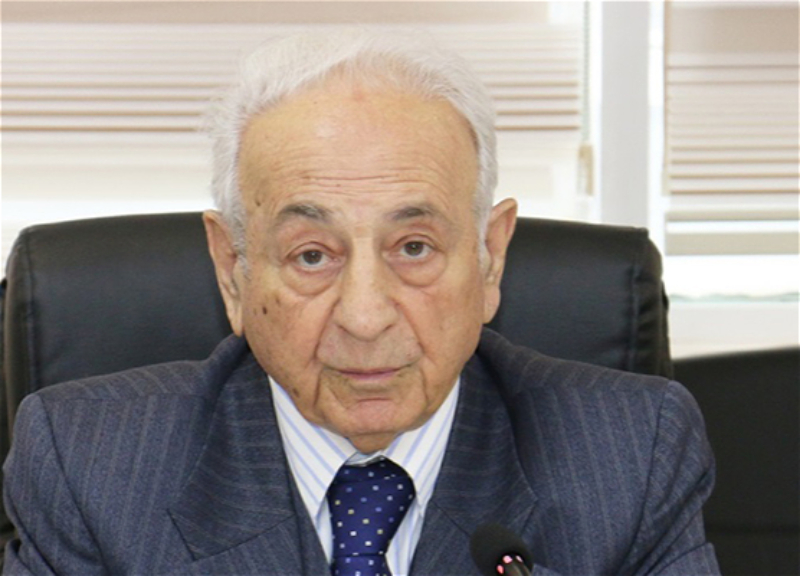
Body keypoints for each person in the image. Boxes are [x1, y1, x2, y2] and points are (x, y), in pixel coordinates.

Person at [2, 29, 720, 575]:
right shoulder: (89, 465)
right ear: (233, 270)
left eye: (414, 247)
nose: (366, 317)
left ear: (490, 256)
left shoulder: (632, 454)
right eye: (312, 256)